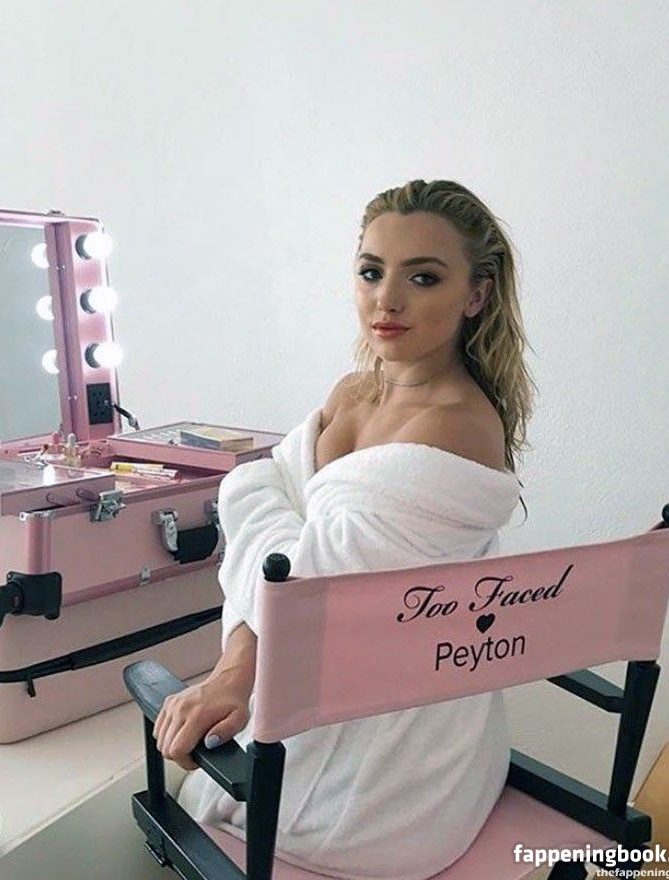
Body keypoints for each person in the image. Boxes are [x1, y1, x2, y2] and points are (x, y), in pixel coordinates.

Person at [156, 179, 537, 879]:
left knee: (201, 785)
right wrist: (238, 665)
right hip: (310, 687)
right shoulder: (354, 391)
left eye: (423, 277)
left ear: (475, 295)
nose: (385, 300)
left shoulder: (455, 428)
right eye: (370, 271)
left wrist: (255, 501)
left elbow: (298, 579)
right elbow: (278, 542)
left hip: (382, 776)